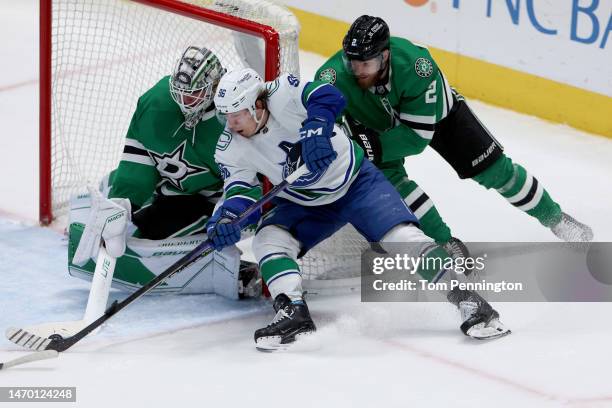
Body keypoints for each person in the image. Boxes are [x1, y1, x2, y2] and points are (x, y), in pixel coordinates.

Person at [208, 67, 510, 351]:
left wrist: (316, 126)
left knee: (402, 239)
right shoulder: (228, 146)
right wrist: (229, 217)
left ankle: (470, 301)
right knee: (267, 240)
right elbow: (240, 189)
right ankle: (293, 312)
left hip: (357, 183)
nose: (231, 125)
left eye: (237, 115)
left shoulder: (283, 92)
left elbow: (329, 96)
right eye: (226, 117)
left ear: (258, 105)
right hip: (305, 202)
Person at [315, 15, 593, 243]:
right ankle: (447, 245)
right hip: (374, 126)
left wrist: (373, 146)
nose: (360, 70)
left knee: (497, 172)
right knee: (393, 186)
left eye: (368, 63)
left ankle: (555, 218)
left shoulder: (416, 67)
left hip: (439, 117)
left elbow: (415, 139)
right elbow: (319, 121)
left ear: (385, 56)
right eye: (353, 63)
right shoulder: (331, 77)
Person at [68, 46, 259, 302]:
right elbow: (138, 155)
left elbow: (247, 179)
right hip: (168, 184)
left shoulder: (232, 119)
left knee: (151, 234)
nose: (185, 102)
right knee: (110, 192)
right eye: (181, 93)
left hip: (208, 198)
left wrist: (228, 214)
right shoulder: (156, 102)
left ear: (215, 87)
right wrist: (122, 203)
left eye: (194, 95)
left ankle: (235, 270)